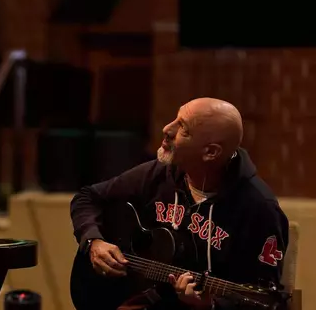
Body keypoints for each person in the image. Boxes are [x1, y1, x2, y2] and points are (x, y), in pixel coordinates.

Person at [70, 98, 290, 310]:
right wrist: (93, 241)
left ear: (210, 152)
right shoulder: (159, 173)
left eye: (183, 128)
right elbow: (88, 197)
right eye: (175, 119)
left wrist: (211, 305)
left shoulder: (260, 208)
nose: (167, 129)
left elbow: (266, 298)